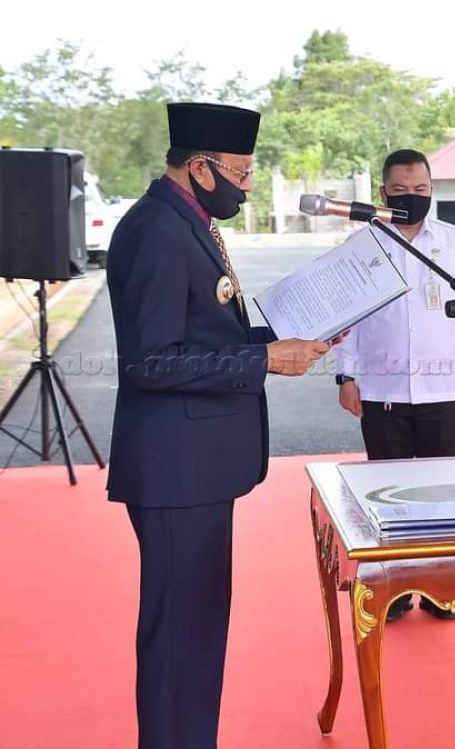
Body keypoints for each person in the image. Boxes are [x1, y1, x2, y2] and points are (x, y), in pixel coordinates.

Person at [106, 102, 333, 749]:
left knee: (199, 631)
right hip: (177, 468)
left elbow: (204, 332)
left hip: (196, 465)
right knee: (180, 639)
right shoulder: (156, 229)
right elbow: (150, 361)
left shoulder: (191, 221)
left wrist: (285, 339)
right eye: (240, 170)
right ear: (200, 167)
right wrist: (263, 357)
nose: (248, 183)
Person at [333, 148, 455, 622]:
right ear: (383, 193)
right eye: (400, 191)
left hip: (443, 386)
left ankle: (441, 590)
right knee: (388, 492)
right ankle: (398, 588)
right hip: (382, 389)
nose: (411, 197)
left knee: (442, 491)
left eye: (420, 190)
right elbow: (348, 315)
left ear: (431, 189)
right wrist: (346, 375)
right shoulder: (365, 244)